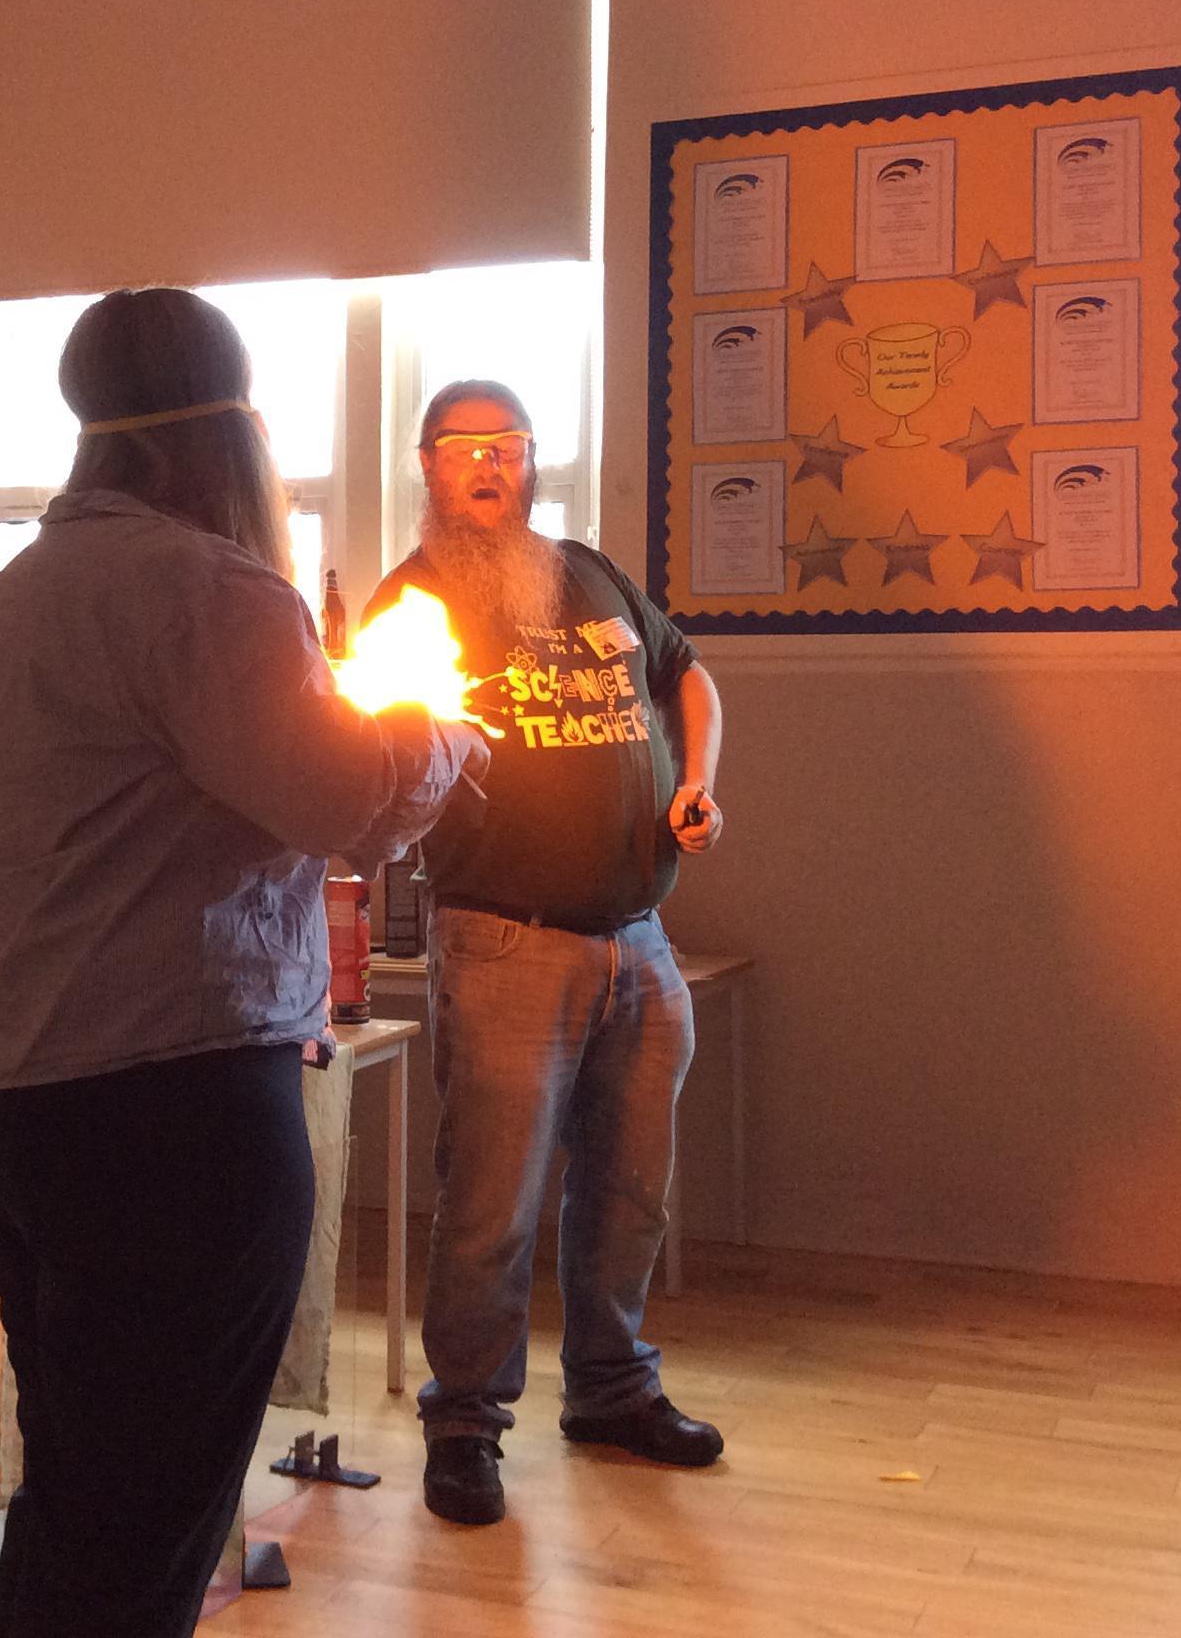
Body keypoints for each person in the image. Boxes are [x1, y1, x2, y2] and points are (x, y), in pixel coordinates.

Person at [0, 288, 490, 1638]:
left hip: (15, 1103)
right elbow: (343, 800)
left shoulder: (23, 590)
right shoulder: (207, 588)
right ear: (226, 432)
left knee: (79, 1492)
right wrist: (443, 738)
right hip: (170, 1116)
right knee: (150, 1527)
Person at [368, 378, 727, 1528]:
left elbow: (687, 673)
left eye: (508, 445)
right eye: (463, 446)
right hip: (504, 943)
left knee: (629, 1193)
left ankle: (612, 1390)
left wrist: (697, 784)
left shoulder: (590, 572)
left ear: (532, 462)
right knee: (493, 1203)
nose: (487, 463)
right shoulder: (412, 602)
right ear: (427, 464)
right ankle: (465, 1423)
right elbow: (379, 756)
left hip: (641, 941)